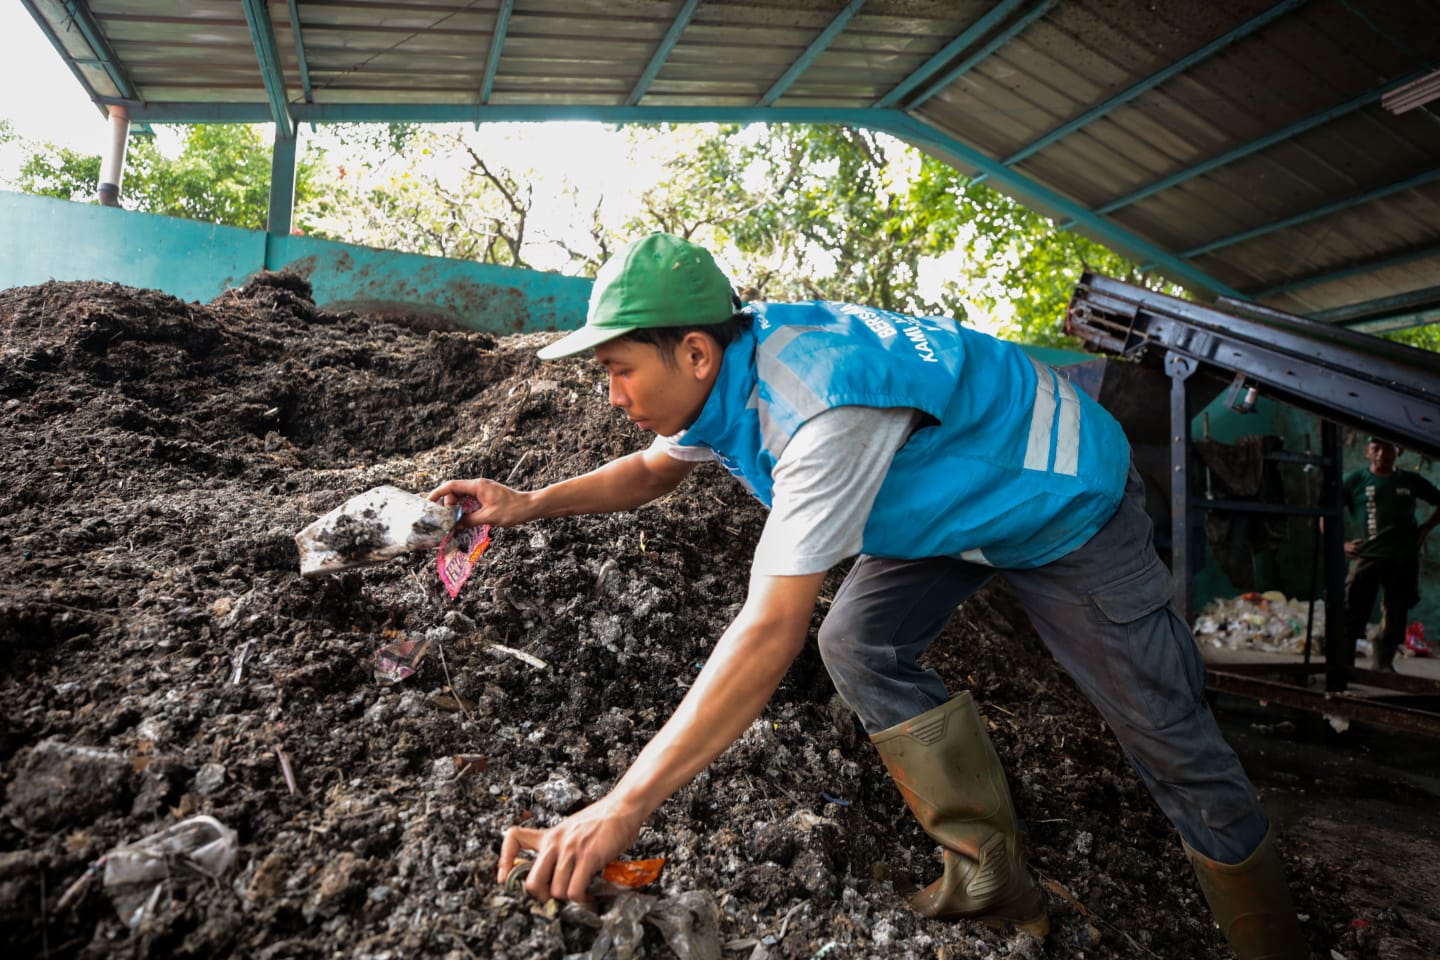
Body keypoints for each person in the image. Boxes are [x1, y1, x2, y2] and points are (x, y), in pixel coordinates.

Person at [430, 233, 1309, 959]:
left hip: (1061, 492)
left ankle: (1270, 944)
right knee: (859, 642)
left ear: (693, 351)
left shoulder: (820, 409)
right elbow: (658, 469)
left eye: (619, 369)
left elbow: (769, 625)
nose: (612, 394)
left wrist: (621, 807)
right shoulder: (728, 368)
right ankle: (992, 879)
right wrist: (530, 502)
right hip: (945, 500)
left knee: (1170, 739)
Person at [1343, 436, 1440, 672]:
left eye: (1388, 449)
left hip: (1403, 558)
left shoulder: (1410, 480)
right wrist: (1341, 545)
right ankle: (1343, 664)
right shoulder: (1354, 480)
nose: (1381, 454)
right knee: (1352, 609)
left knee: (1396, 612)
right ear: (1367, 452)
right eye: (1376, 449)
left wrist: (1426, 528)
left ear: (1400, 452)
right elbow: (1326, 510)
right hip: (1367, 557)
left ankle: (1383, 663)